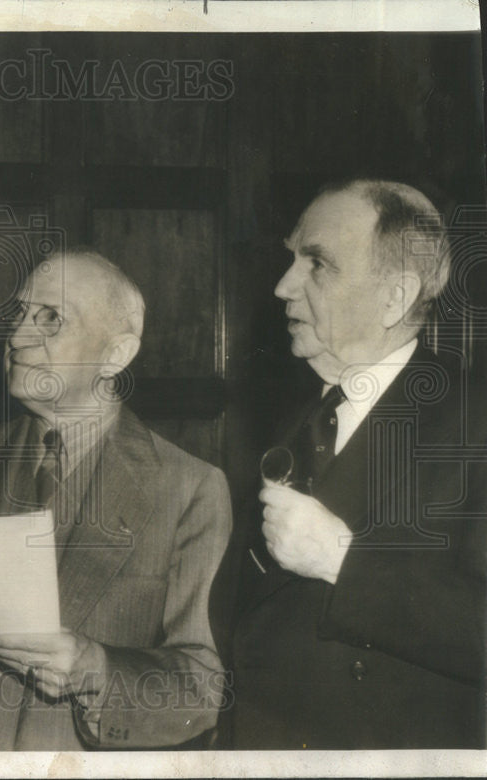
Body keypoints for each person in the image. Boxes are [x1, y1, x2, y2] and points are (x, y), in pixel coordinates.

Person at [0, 249, 232, 750]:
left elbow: (202, 691)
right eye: (19, 314)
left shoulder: (190, 489)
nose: (18, 336)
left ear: (117, 354)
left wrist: (99, 670)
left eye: (52, 318)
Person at [225, 179, 486, 748]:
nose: (282, 286)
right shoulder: (288, 419)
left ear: (394, 297)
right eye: (291, 258)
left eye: (317, 264)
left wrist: (344, 562)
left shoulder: (473, 421)